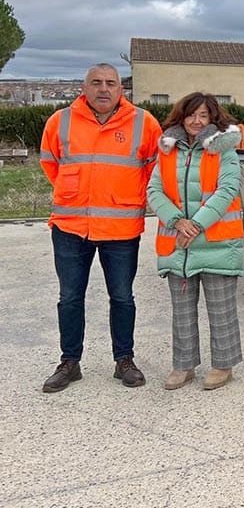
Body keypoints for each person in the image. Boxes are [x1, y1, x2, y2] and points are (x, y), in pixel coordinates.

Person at [38, 63, 162, 392]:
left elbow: (155, 171)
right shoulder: (60, 122)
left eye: (110, 83)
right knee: (69, 298)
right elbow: (51, 165)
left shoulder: (144, 123)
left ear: (121, 89)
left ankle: (124, 360)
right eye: (96, 83)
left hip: (121, 230)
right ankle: (69, 362)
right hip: (70, 227)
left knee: (122, 297)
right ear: (84, 87)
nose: (103, 89)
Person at [146, 93, 244, 391]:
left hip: (216, 242)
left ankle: (223, 366)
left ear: (213, 119)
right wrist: (178, 221)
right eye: (191, 115)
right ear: (181, 116)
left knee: (221, 309)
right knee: (182, 311)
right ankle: (183, 365)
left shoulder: (224, 150)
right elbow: (154, 190)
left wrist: (196, 224)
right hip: (179, 245)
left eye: (203, 115)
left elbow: (227, 190)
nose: (196, 121)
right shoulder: (167, 150)